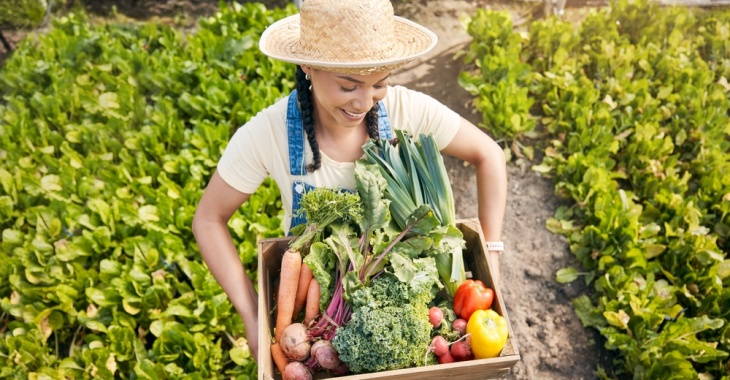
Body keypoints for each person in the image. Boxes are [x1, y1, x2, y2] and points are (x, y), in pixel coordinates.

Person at [191, 0, 507, 362]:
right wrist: (251, 315)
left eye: (379, 85)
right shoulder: (270, 133)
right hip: (312, 325)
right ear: (307, 65)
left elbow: (490, 156)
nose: (364, 103)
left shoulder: (407, 110)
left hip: (403, 307)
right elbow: (208, 219)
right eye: (349, 85)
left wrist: (492, 259)